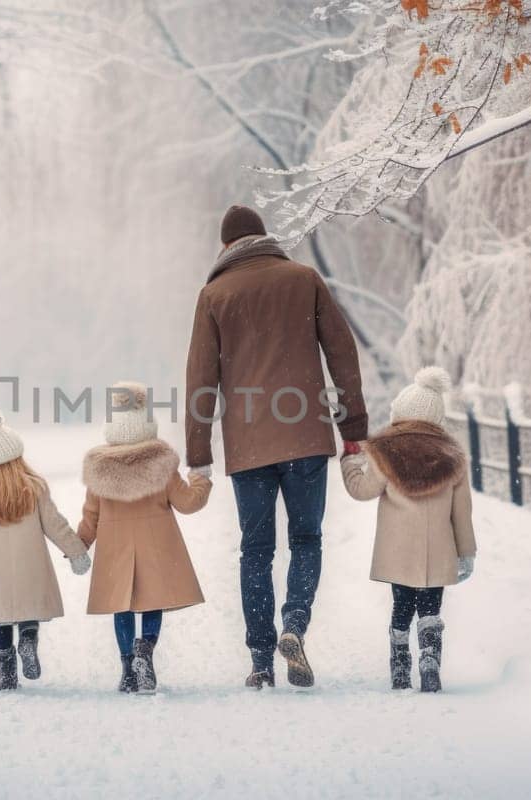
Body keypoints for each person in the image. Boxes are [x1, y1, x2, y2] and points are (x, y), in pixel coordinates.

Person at [185, 204, 369, 689]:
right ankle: (294, 624)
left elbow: (200, 381)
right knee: (307, 539)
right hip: (306, 437)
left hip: (248, 447)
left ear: (226, 247)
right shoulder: (303, 278)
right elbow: (342, 354)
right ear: (263, 238)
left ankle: (262, 660)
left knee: (256, 550)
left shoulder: (214, 295)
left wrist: (199, 456)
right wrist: (354, 428)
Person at [339, 367, 477, 693]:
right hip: (437, 550)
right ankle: (430, 658)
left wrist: (349, 463)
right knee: (430, 608)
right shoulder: (452, 456)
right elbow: (462, 511)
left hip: (398, 551)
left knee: (402, 606)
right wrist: (466, 552)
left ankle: (400, 662)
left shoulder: (385, 451)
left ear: (400, 413)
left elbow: (362, 490)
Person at [0, 406, 92, 691]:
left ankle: (8, 677)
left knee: (0, 620)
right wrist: (76, 552)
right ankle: (28, 638)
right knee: (27, 611)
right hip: (30, 569)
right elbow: (56, 525)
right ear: (17, 456)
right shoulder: (33, 487)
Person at [78, 382, 210, 694]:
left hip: (115, 551)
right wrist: (200, 479)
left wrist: (78, 546)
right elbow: (187, 502)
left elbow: (90, 517)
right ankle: (145, 649)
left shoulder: (99, 467)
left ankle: (127, 670)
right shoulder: (161, 460)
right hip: (156, 547)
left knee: (121, 608)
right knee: (153, 602)